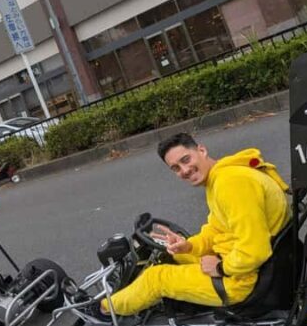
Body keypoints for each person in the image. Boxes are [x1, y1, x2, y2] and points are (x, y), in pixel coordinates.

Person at [100, 132, 290, 316]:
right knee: (173, 256)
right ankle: (128, 295)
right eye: (175, 168)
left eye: (186, 160)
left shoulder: (231, 184)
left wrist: (220, 268)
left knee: (155, 278)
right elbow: (216, 229)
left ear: (202, 150)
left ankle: (104, 310)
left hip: (242, 280)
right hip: (243, 263)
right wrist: (189, 245)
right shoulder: (223, 176)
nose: (184, 170)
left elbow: (254, 251)